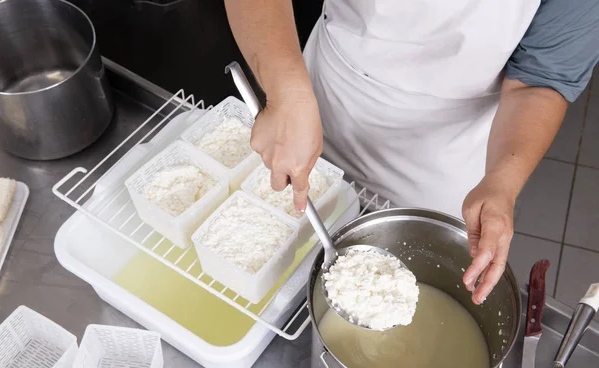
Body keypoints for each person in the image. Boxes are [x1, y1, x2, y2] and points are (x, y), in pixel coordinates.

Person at [224, 0, 599, 304]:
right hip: (325, 102)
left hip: (445, 155)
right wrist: (286, 91)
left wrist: (503, 179)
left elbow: (540, 79)